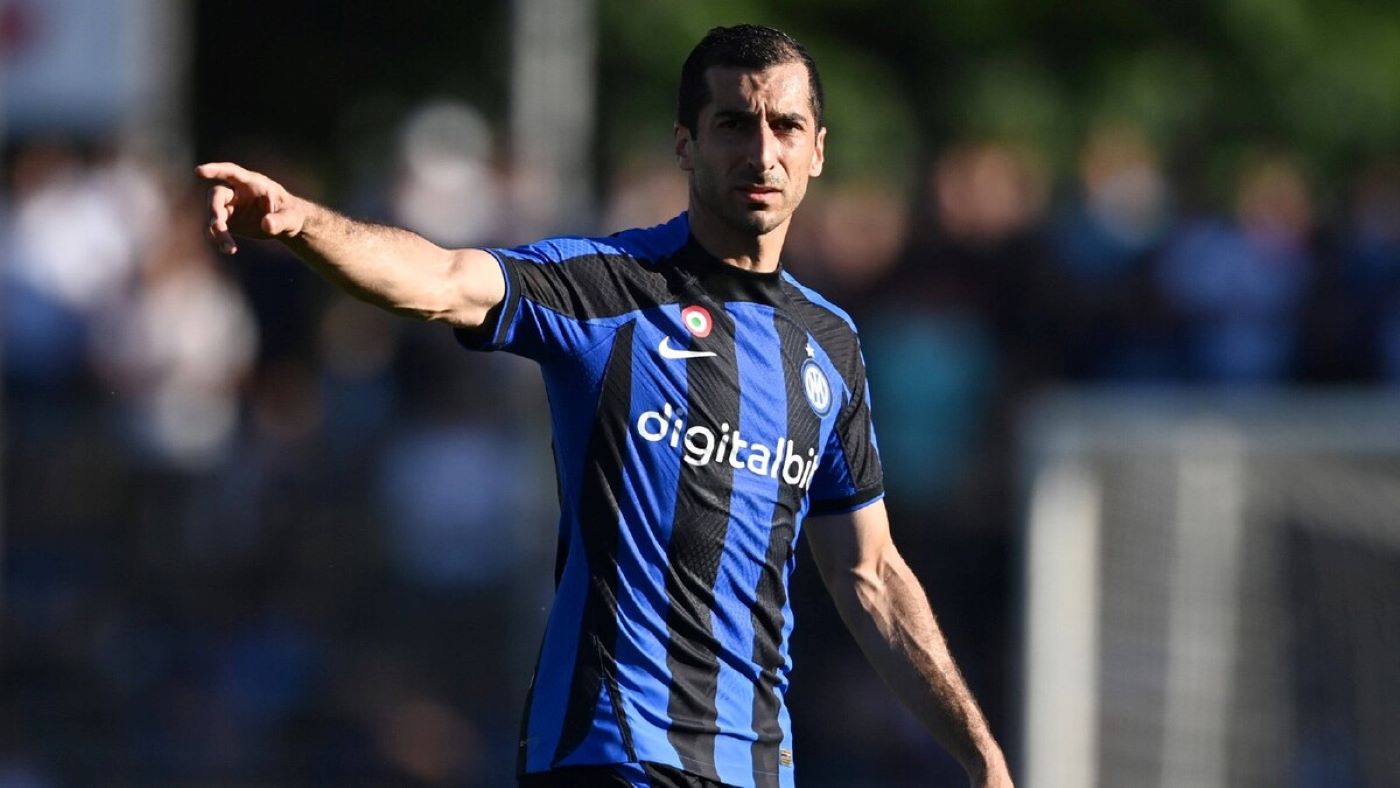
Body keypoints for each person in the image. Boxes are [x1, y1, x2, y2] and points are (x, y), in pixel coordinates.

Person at [199, 24, 1012, 788]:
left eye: (786, 127)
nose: (762, 152)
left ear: (818, 151)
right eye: (733, 124)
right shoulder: (608, 289)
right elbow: (442, 281)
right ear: (685, 144)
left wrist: (982, 759)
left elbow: (869, 572)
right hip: (611, 754)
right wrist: (303, 225)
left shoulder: (828, 347)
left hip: (756, 767)